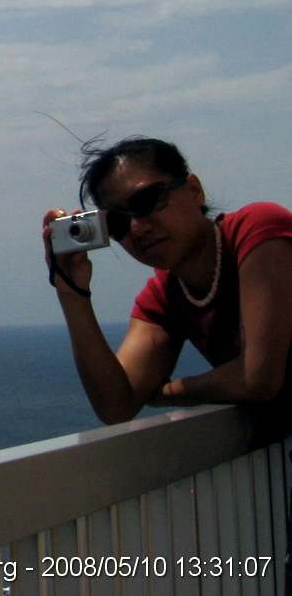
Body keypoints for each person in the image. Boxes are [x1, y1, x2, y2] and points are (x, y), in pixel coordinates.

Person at [43, 136, 292, 426]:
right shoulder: (165, 296)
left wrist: (167, 393)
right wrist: (72, 293)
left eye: (148, 201)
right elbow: (116, 405)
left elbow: (258, 378)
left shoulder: (257, 229)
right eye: (117, 223)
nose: (137, 228)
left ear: (194, 191)